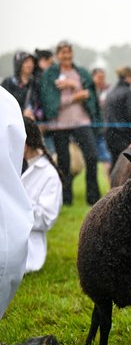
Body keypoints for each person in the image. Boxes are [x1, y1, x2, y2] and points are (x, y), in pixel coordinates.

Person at [0, 86, 75, 345]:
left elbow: (44, 217)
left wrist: (23, 206)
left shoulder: (49, 174)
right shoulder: (6, 103)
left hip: (22, 244)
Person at [39, 40, 101, 206]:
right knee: (64, 162)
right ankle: (65, 199)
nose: (66, 55)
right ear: (57, 55)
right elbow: (50, 102)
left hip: (82, 121)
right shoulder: (49, 75)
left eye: (69, 52)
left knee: (92, 156)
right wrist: (75, 96)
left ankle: (93, 197)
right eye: (63, 52)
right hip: (60, 124)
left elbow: (89, 94)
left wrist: (73, 85)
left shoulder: (81, 72)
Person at [22, 117, 63, 273]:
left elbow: (46, 219)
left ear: (25, 144)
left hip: (27, 247)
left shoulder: (49, 175)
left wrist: (15, 204)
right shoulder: (12, 165)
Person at [104, 66, 131, 164]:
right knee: (127, 164)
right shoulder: (129, 94)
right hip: (126, 135)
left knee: (115, 163)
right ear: (128, 77)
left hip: (110, 134)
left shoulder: (110, 93)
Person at [1, 51, 41, 120]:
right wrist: (22, 112)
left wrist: (36, 116)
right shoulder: (8, 83)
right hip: (13, 123)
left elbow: (41, 105)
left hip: (31, 125)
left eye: (32, 62)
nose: (30, 65)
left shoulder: (35, 84)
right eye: (26, 62)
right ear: (19, 64)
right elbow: (3, 104)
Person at [92, 68, 113, 179]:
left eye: (102, 77)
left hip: (104, 130)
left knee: (106, 158)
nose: (101, 80)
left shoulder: (109, 91)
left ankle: (108, 183)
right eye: (99, 77)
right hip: (91, 130)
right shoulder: (90, 91)